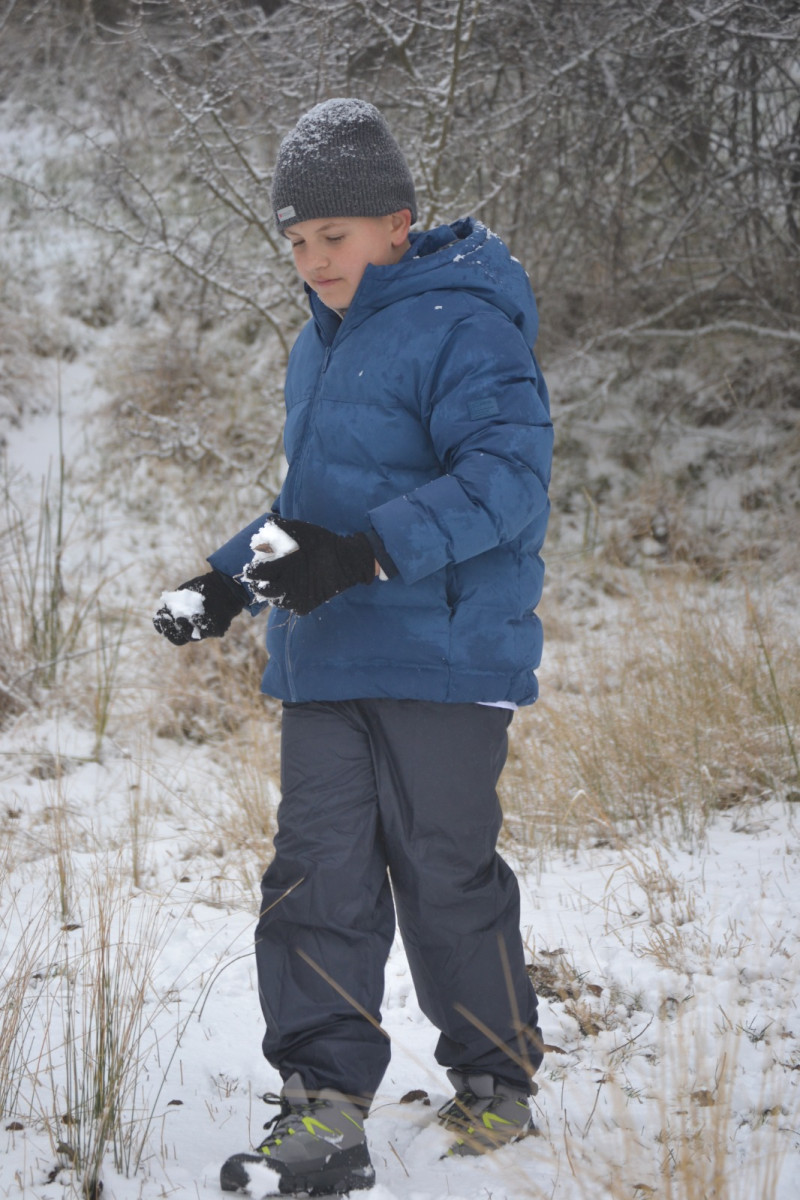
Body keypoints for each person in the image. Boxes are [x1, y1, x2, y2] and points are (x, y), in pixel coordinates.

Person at [153, 97, 553, 1197]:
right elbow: (312, 515)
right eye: (295, 242)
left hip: (442, 659)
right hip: (327, 660)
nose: (313, 260)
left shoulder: (466, 326)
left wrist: (365, 554)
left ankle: (495, 1079)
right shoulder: (318, 343)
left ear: (396, 224)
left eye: (332, 236)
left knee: (443, 874)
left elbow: (506, 482)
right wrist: (226, 583)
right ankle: (322, 1107)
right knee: (314, 877)